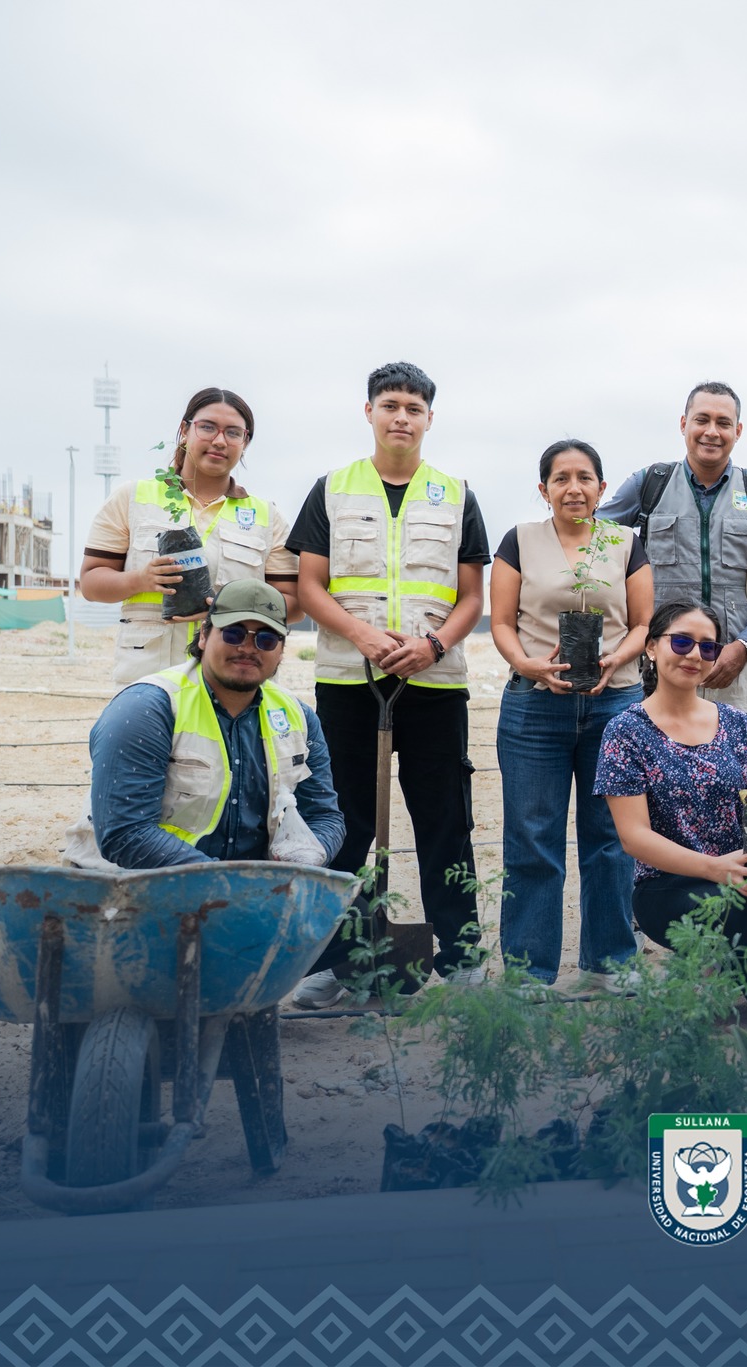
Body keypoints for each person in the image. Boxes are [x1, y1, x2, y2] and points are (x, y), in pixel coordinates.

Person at [286, 362, 492, 1007]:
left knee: (444, 820)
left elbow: (471, 596)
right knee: (344, 822)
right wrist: (366, 637)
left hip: (434, 684)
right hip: (350, 681)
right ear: (369, 412)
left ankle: (459, 959)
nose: (401, 416)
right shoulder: (332, 488)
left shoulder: (456, 493)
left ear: (430, 417)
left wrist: (433, 645)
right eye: (390, 405)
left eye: (413, 407)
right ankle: (336, 962)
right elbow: (310, 585)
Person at [596, 602, 747, 1036]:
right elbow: (634, 838)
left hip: (742, 880)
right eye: (681, 641)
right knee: (730, 908)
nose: (694, 655)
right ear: (650, 648)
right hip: (669, 887)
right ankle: (701, 969)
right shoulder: (624, 731)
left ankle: (733, 967)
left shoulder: (737, 724)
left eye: (707, 646)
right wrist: (716, 868)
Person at [489, 439, 654, 990]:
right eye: (561, 478)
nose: (574, 488)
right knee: (533, 839)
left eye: (585, 478)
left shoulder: (625, 541)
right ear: (544, 489)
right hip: (534, 707)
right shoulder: (519, 541)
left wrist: (617, 659)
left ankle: (609, 964)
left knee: (610, 838)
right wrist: (527, 665)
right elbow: (503, 622)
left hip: (615, 704)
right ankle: (529, 972)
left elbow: (641, 624)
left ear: (602, 489)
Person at [64, 580, 343, 871]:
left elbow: (324, 815)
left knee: (357, 911)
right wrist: (228, 884)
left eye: (266, 639)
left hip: (245, 891)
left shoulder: (298, 717)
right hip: (130, 886)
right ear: (204, 636)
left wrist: (309, 856)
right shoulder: (146, 709)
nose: (248, 648)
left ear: (281, 650)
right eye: (234, 633)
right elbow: (126, 833)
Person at [596, 383, 747, 729]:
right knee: (661, 776)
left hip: (736, 670)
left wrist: (745, 645)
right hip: (660, 670)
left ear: (738, 431)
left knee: (738, 779)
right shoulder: (650, 484)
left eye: (723, 423)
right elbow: (594, 543)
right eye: (701, 420)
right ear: (683, 424)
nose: (711, 432)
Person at [79, 387, 299, 685]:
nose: (219, 441)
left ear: (245, 442)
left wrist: (235, 607)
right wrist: (141, 580)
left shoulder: (266, 516)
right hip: (147, 679)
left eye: (233, 433)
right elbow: (92, 583)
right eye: (207, 427)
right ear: (184, 431)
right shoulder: (132, 498)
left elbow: (294, 604)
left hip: (231, 684)